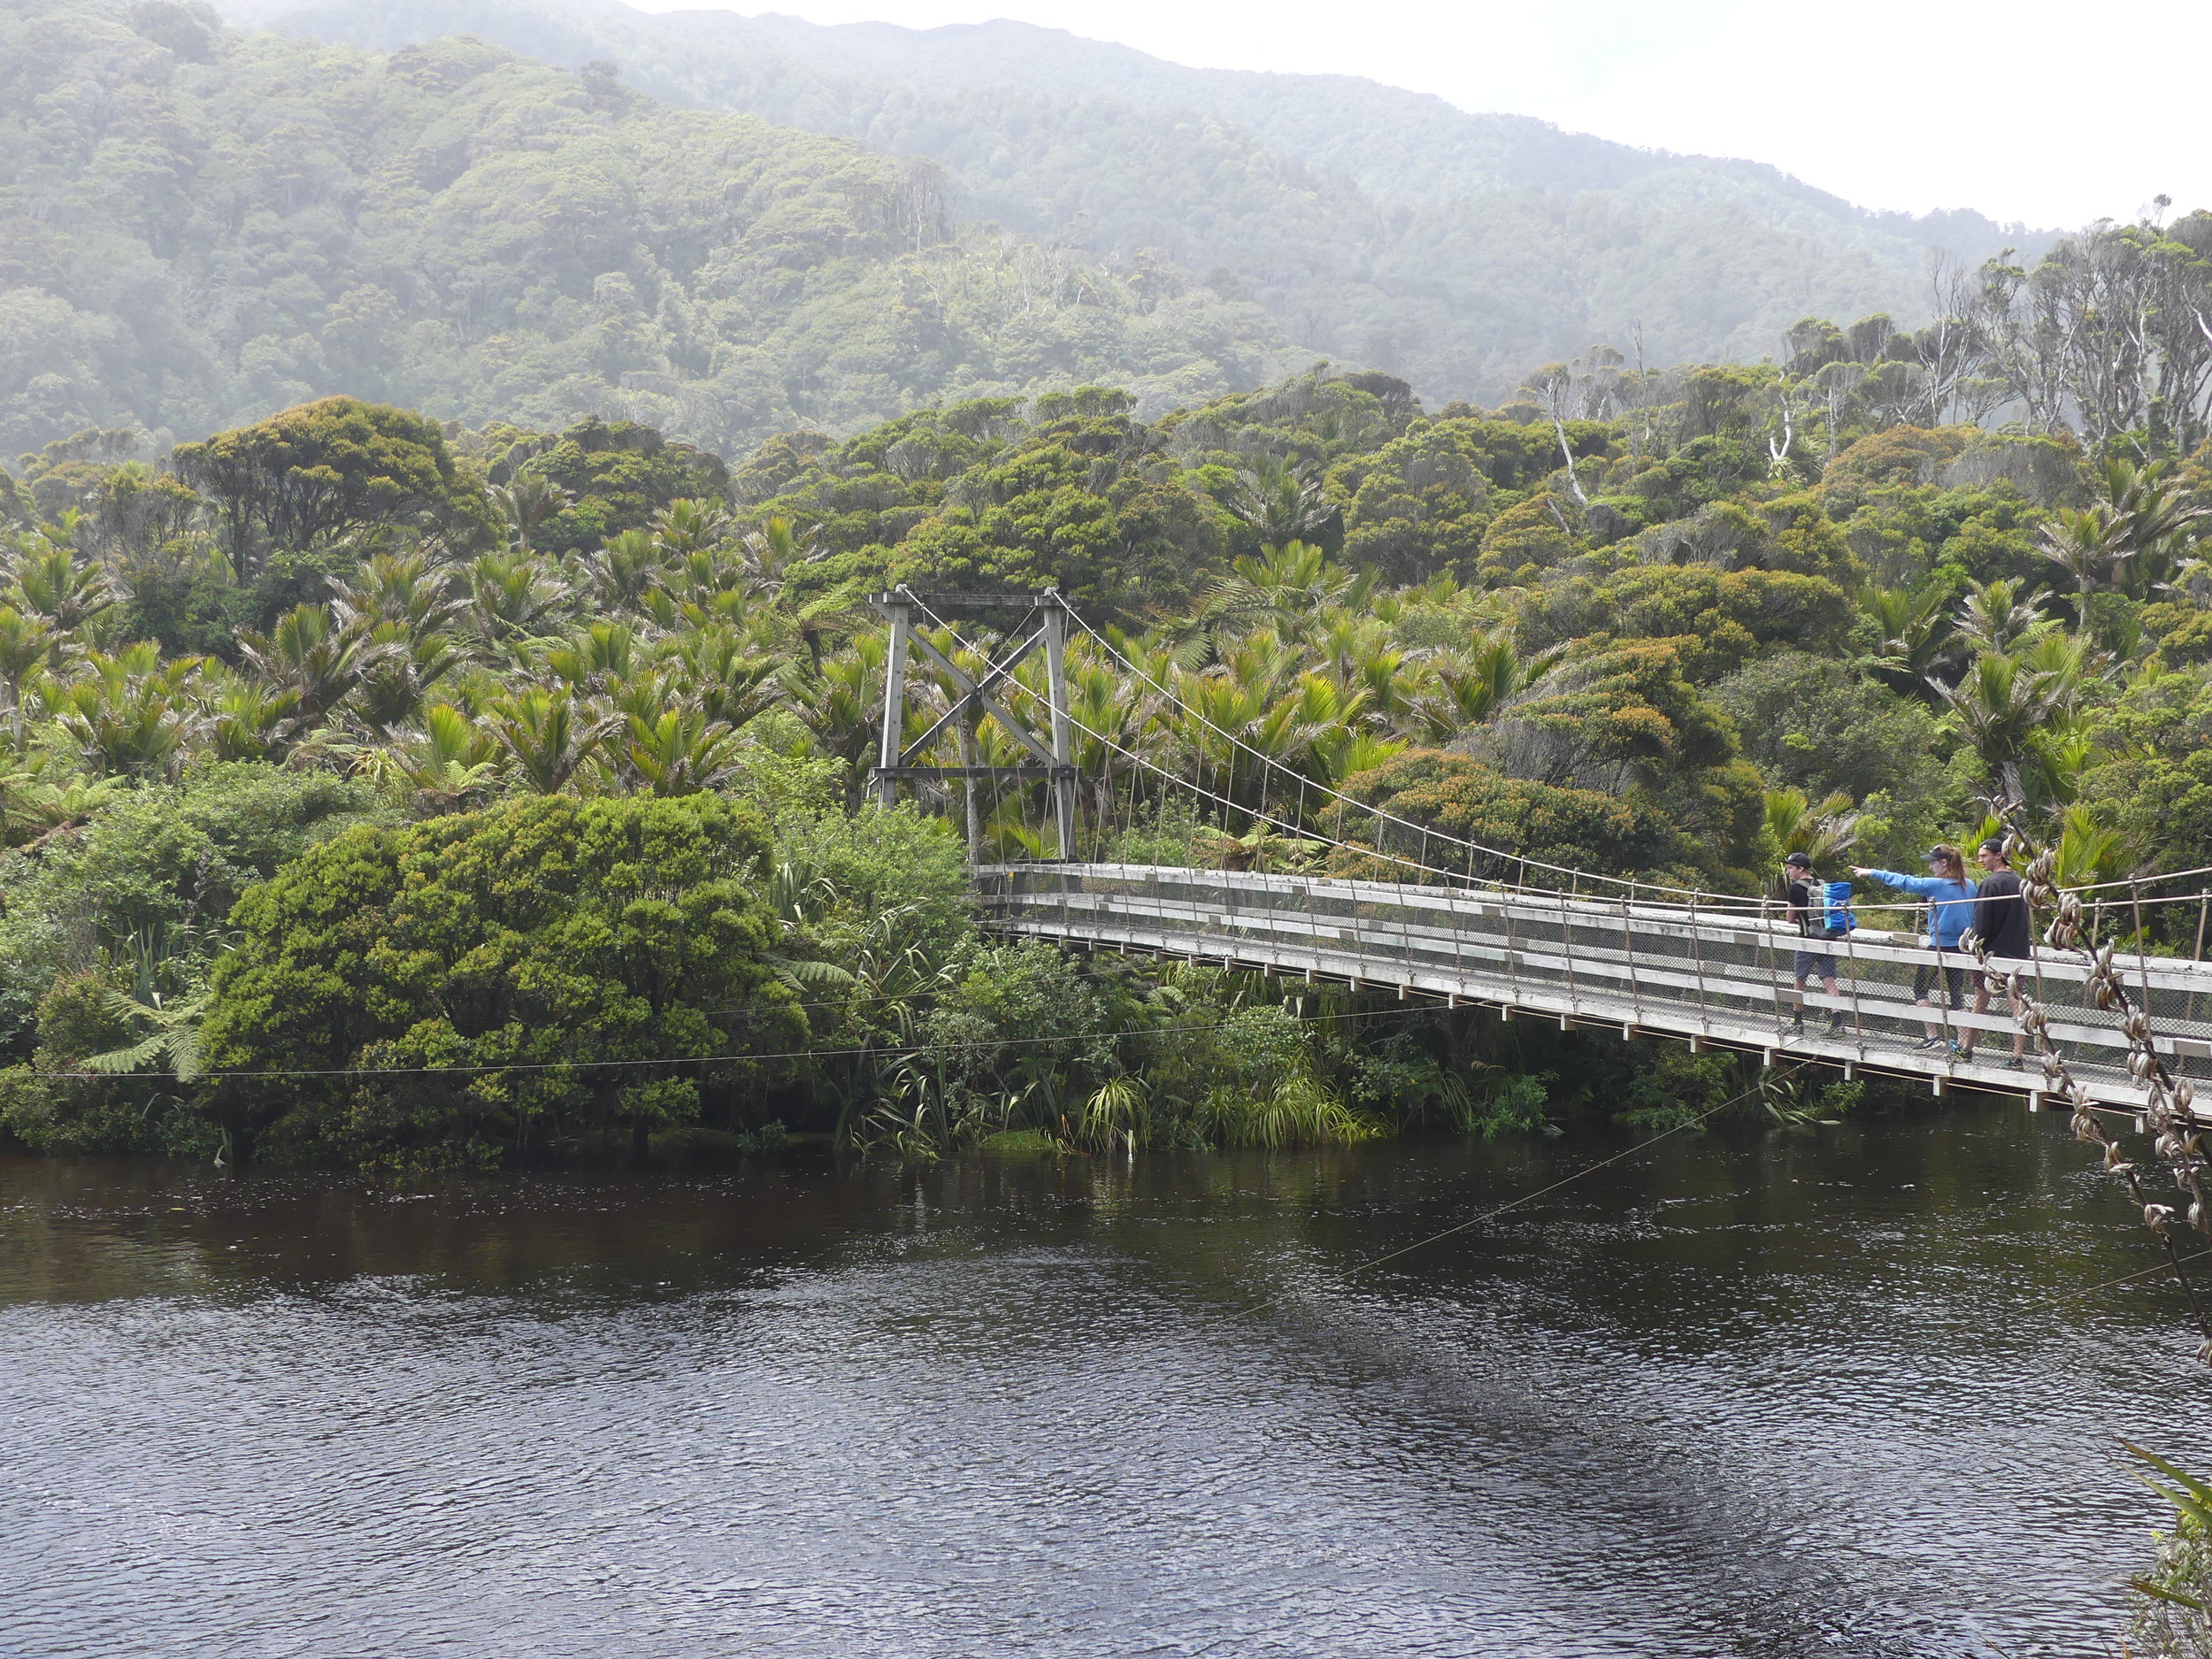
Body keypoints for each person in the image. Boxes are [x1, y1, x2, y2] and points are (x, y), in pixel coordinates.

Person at [1852, 846, 1977, 1050]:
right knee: (1957, 993)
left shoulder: (1936, 885)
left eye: (1933, 862)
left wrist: (1872, 873)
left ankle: (1932, 1036)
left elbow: (1906, 882)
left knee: (1920, 988)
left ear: (1944, 863)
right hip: (1961, 947)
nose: (1930, 866)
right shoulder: (1969, 885)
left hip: (1939, 947)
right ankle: (1962, 1042)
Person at [1962, 836, 2033, 1065]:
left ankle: (1967, 1049)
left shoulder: (1990, 884)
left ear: (1998, 855)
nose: (1980, 860)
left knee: (1980, 1000)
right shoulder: (2021, 882)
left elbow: (1982, 923)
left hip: (1992, 955)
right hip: (2018, 953)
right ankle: (2017, 1056)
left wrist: (1976, 948)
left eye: (1984, 856)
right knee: (2016, 1002)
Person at [1782, 850, 1847, 1034]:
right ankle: (1837, 1021)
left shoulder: (1795, 888)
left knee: (1800, 979)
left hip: (1807, 940)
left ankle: (1797, 1021)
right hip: (1828, 938)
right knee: (1828, 979)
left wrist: (1799, 920)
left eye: (1790, 868)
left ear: (1800, 869)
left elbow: (1789, 918)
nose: (1788, 872)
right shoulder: (1823, 885)